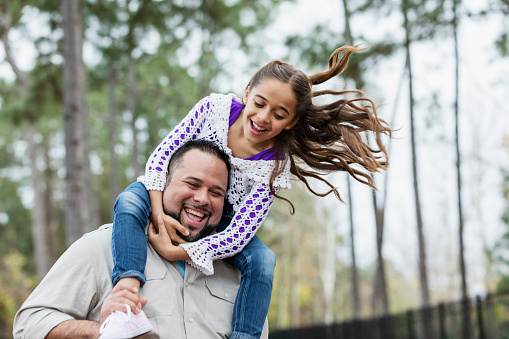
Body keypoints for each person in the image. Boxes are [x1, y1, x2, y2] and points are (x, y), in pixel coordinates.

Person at [108, 45, 392, 339]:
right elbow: (162, 155)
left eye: (279, 114)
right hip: (171, 192)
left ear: (291, 122)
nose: (264, 117)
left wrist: (176, 251)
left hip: (225, 217)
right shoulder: (213, 109)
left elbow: (238, 235)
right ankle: (126, 302)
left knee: (263, 261)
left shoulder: (275, 165)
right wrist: (158, 213)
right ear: (246, 93)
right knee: (128, 201)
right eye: (259, 103)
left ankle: (245, 336)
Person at [13, 140, 268, 339]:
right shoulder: (101, 247)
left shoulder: (243, 277)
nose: (202, 199)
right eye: (192, 184)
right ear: (163, 182)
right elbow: (28, 325)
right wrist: (101, 330)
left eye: (216, 192)